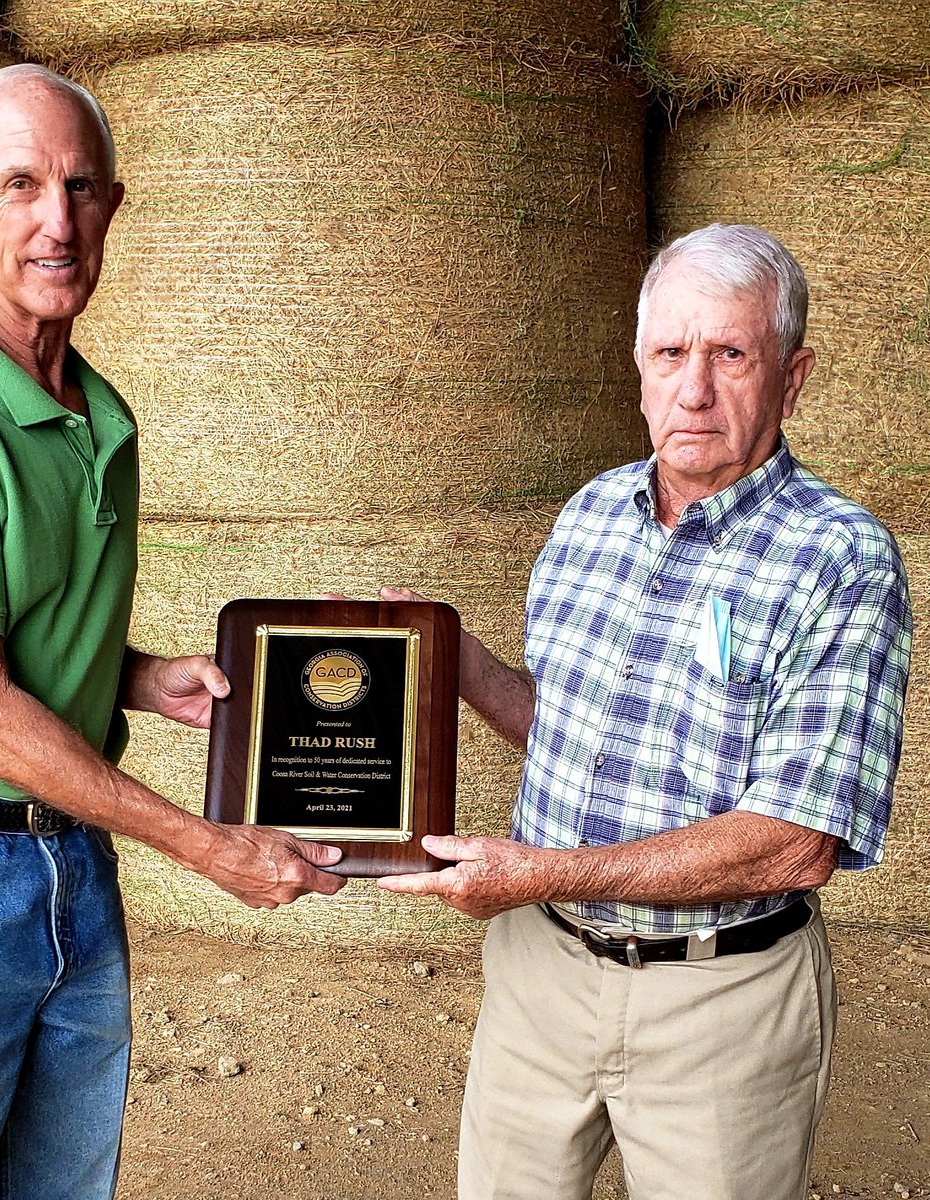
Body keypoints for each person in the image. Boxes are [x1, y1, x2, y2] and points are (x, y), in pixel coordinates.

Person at [0, 63, 344, 1200]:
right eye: (19, 185)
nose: (57, 220)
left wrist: (143, 679)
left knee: (59, 1183)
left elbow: (14, 627)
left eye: (82, 187)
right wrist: (208, 846)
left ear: (113, 206)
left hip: (67, 853)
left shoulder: (99, 413)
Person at [379, 224, 913, 1200]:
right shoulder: (589, 518)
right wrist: (449, 658)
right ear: (639, 367)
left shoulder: (842, 561)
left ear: (792, 379)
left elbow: (794, 845)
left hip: (717, 1000)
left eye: (731, 354)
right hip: (539, 977)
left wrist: (537, 872)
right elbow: (574, 735)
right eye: (671, 353)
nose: (694, 388)